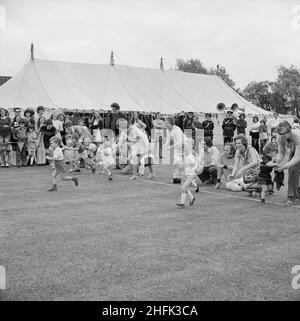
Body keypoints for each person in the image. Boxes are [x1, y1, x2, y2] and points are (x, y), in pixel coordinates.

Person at [274, 121, 300, 206]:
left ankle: (296, 191)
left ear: (290, 131)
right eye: (279, 133)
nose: (281, 136)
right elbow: (281, 152)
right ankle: (292, 196)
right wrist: (277, 162)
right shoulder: (280, 136)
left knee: (293, 167)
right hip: (294, 151)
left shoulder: (297, 136)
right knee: (292, 171)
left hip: (298, 152)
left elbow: (297, 157)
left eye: (283, 133)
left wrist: (284, 166)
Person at [163, 116, 188, 184]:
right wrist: (165, 146)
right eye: (165, 123)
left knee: (179, 162)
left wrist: (170, 147)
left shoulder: (177, 130)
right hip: (177, 146)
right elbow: (168, 139)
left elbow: (179, 142)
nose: (165, 125)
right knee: (176, 162)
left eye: (167, 123)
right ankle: (176, 178)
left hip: (184, 145)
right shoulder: (168, 130)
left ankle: (188, 176)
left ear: (172, 124)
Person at [176, 138, 196, 208]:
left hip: (190, 174)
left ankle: (182, 203)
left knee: (184, 188)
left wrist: (185, 165)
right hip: (185, 174)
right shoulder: (185, 155)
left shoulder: (191, 155)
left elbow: (193, 163)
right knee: (184, 188)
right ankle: (192, 198)